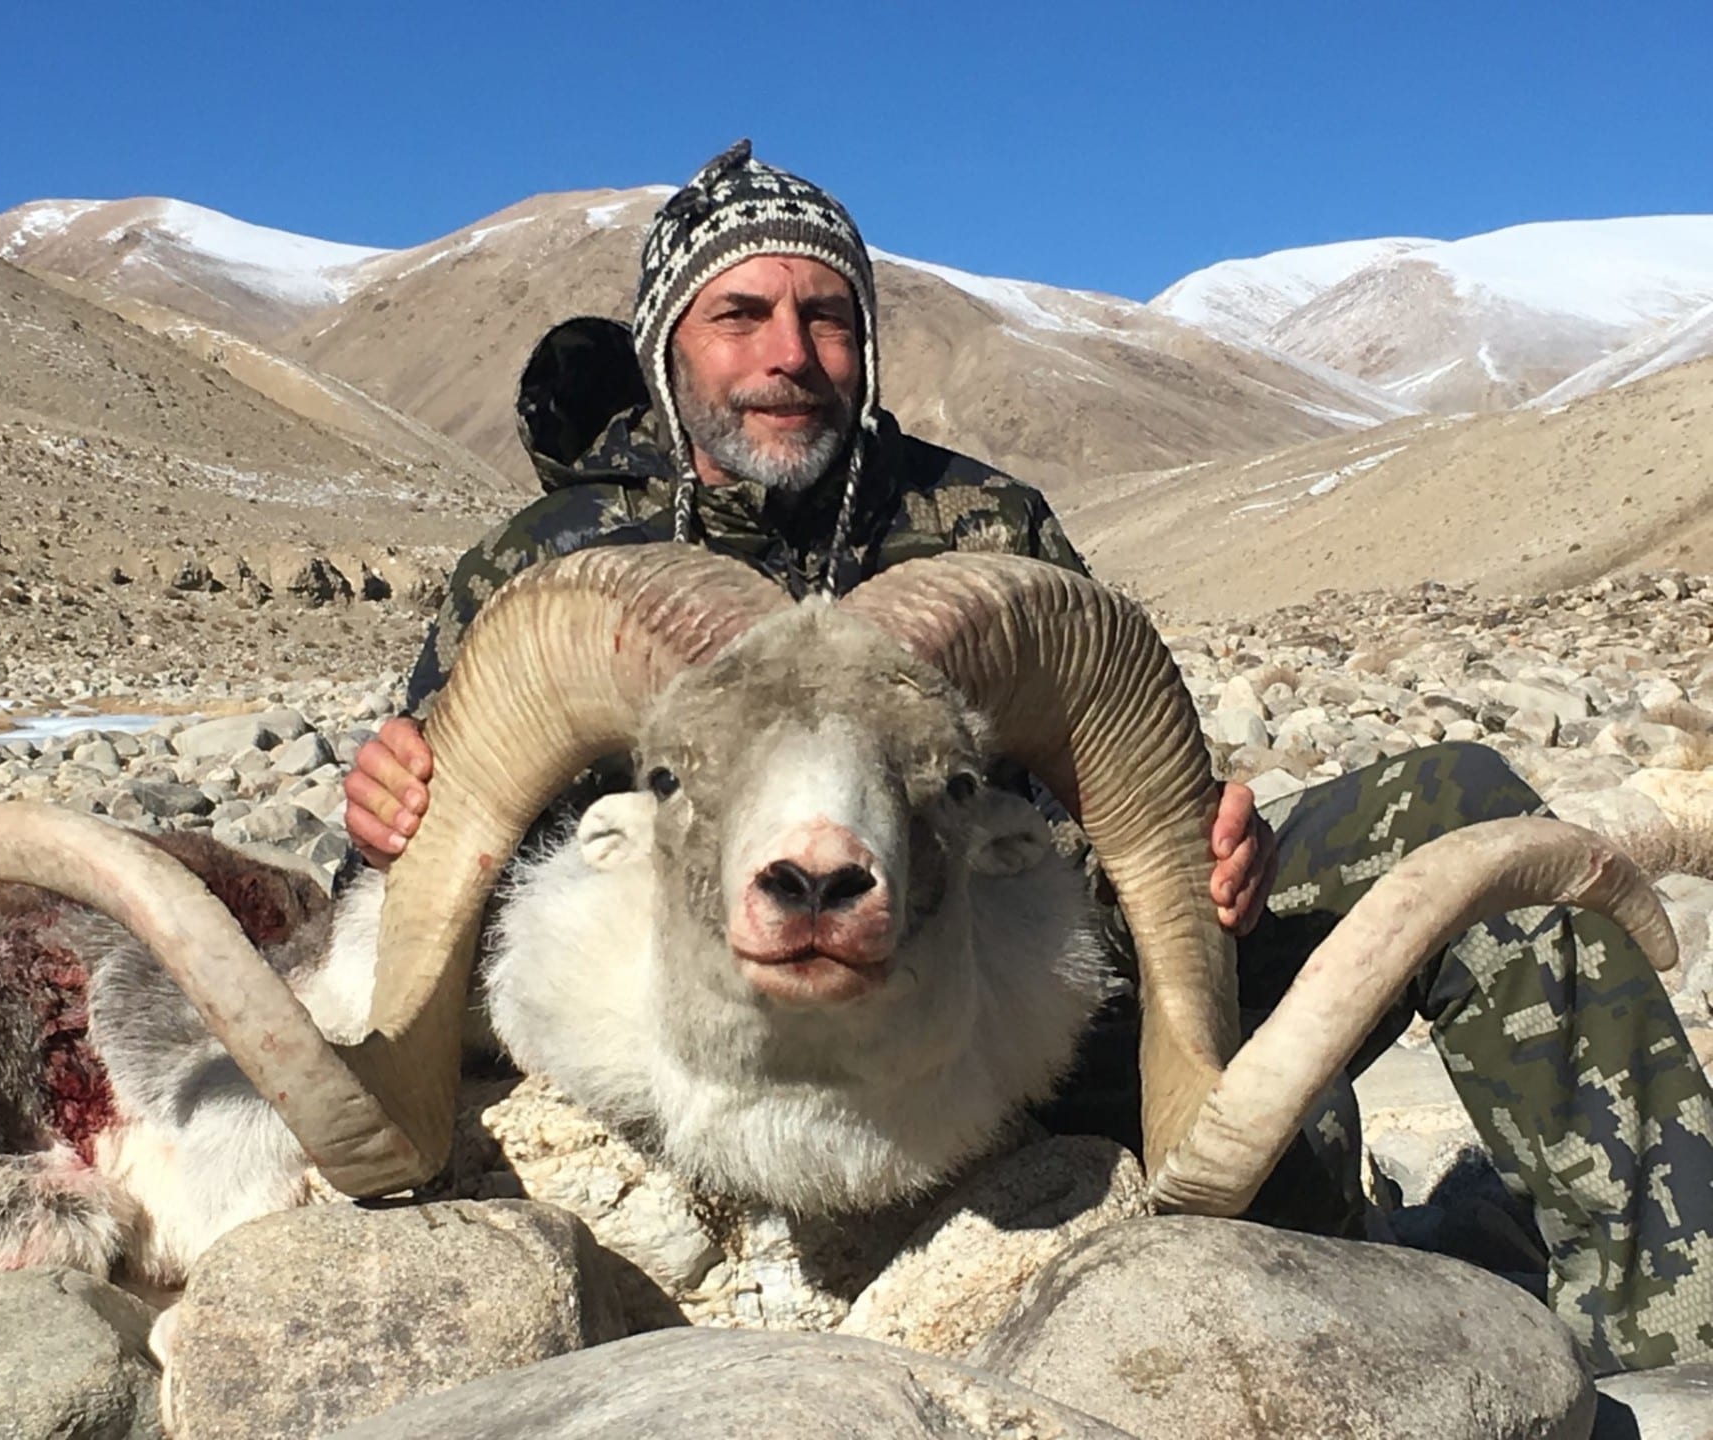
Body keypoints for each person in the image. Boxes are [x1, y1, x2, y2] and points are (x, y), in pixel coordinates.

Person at [343, 141, 1713, 1372]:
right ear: (665, 348)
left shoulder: (978, 524)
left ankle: (1673, 1328)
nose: (789, 353)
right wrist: (393, 806)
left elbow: (1121, 773)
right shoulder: (552, 559)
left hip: (1001, 997)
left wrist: (1202, 849)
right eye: (739, 316)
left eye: (827, 316)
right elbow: (431, 840)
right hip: (701, 1036)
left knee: (1455, 812)